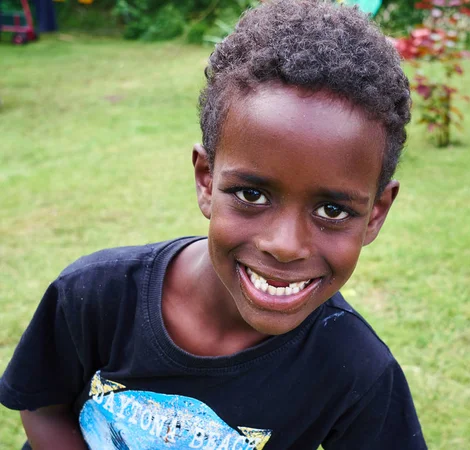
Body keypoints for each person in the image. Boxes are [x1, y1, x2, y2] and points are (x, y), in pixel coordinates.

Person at [0, 0, 426, 448]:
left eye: (332, 211)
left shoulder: (354, 367)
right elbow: (42, 407)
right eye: (251, 194)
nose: (284, 245)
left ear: (375, 213)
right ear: (206, 180)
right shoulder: (96, 295)